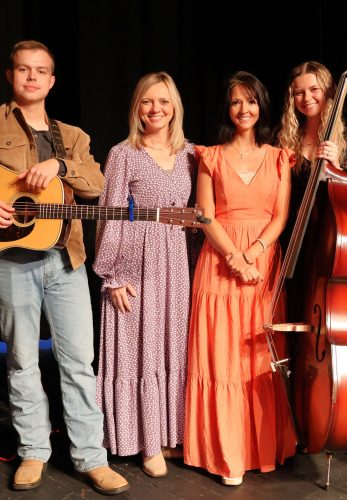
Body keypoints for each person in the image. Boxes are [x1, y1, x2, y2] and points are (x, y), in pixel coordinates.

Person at [0, 41, 128, 494]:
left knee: (78, 362)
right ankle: (33, 452)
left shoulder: (71, 136)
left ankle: (91, 457)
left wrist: (59, 164)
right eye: (24, 69)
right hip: (11, 260)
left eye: (41, 71)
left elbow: (96, 185)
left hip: (65, 259)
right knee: (22, 361)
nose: (32, 77)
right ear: (11, 75)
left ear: (52, 81)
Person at [183, 71, 296, 485]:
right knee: (221, 357)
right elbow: (205, 215)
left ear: (261, 106)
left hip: (263, 263)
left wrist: (253, 254)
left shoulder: (279, 157)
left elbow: (280, 216)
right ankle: (226, 453)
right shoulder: (210, 156)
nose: (243, 109)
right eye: (235, 102)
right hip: (219, 262)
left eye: (250, 101)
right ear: (227, 109)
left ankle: (260, 448)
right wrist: (234, 257)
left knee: (257, 358)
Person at [93, 72, 198, 478]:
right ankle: (145, 441)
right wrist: (113, 276)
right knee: (140, 351)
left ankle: (170, 435)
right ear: (137, 108)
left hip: (176, 265)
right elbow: (110, 216)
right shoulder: (124, 153)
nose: (156, 109)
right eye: (147, 101)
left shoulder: (191, 153)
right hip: (134, 264)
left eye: (163, 101)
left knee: (172, 348)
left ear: (175, 108)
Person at [277, 60, 347, 321]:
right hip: (290, 238)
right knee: (291, 309)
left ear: (328, 92)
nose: (307, 98)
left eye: (314, 89)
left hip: (330, 239)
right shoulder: (283, 139)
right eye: (299, 92)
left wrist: (337, 167)